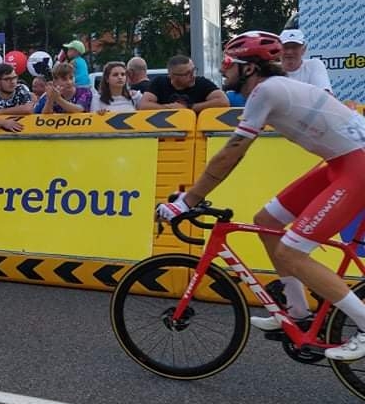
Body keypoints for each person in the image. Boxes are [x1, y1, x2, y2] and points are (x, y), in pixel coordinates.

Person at [156, 31, 365, 361]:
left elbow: (231, 154)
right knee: (267, 221)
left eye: (228, 62)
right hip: (342, 163)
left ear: (249, 68)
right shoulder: (275, 89)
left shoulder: (266, 91)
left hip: (356, 166)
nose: (222, 69)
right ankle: (297, 311)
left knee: (292, 251)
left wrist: (186, 201)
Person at [138, 55, 229, 113]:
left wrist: (189, 108)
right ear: (172, 76)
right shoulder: (159, 82)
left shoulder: (201, 83)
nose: (193, 76)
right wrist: (169, 108)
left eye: (193, 70)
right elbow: (143, 105)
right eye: (187, 74)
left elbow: (223, 101)